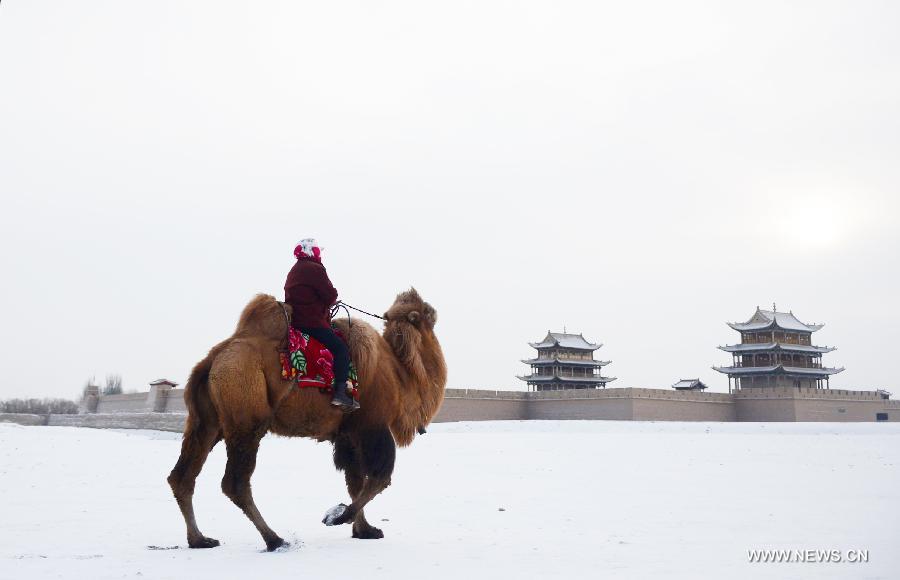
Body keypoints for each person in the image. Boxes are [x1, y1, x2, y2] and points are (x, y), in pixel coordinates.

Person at [284, 238, 359, 412]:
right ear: (313, 252)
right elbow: (330, 295)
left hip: (297, 323)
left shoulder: (294, 270)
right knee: (341, 349)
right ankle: (340, 392)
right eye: (318, 251)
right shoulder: (315, 269)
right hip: (312, 322)